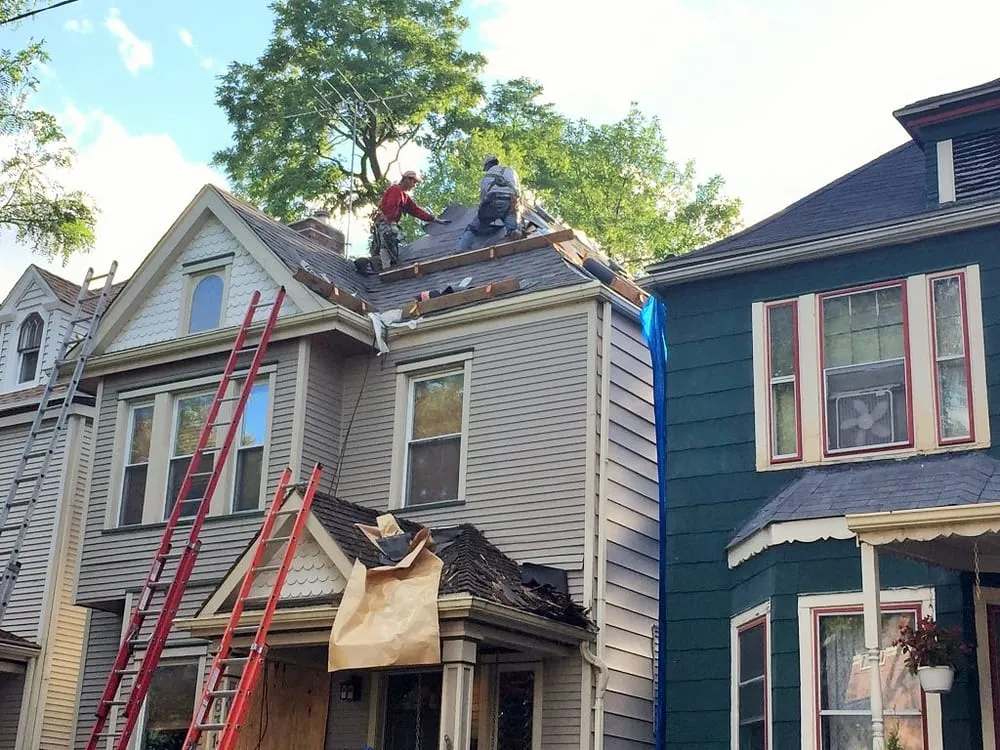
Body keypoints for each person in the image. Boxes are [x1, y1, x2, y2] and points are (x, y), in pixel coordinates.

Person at [371, 170, 449, 268]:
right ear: (407, 179)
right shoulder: (395, 189)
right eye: (413, 182)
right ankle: (385, 268)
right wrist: (390, 222)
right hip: (385, 223)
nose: (414, 185)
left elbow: (416, 211)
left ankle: (388, 265)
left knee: (392, 247)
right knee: (387, 241)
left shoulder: (405, 197)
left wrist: (436, 220)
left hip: (390, 223)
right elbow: (390, 206)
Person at [457, 155, 523, 251]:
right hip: (510, 202)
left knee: (472, 227)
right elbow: (518, 195)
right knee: (513, 227)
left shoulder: (486, 176)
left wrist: (486, 219)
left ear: (487, 165)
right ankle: (514, 234)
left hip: (492, 202)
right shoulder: (512, 171)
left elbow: (483, 200)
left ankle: (461, 249)